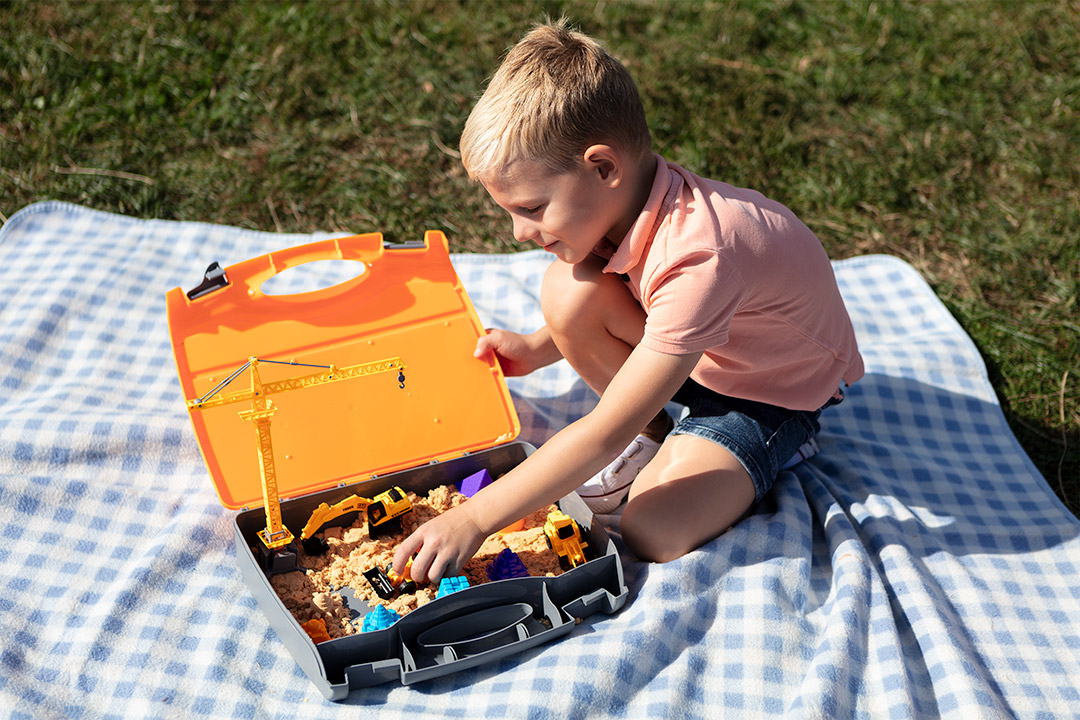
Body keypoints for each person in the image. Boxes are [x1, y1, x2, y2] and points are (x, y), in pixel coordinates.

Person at [393, 19, 863, 582]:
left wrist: (474, 519)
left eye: (532, 209)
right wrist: (539, 348)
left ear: (603, 167)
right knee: (567, 290)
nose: (519, 233)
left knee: (652, 529)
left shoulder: (700, 256)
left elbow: (602, 432)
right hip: (704, 354)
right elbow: (635, 303)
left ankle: (776, 445)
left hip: (766, 395)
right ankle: (658, 432)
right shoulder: (628, 204)